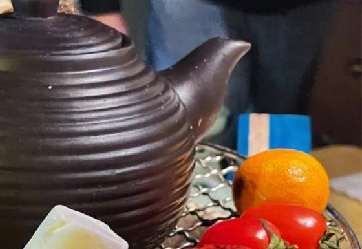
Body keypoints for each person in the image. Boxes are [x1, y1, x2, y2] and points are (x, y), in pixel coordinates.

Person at [80, 0, 336, 147]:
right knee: (184, 125)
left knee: (279, 129)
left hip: (303, 6)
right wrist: (100, 6)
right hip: (190, 7)